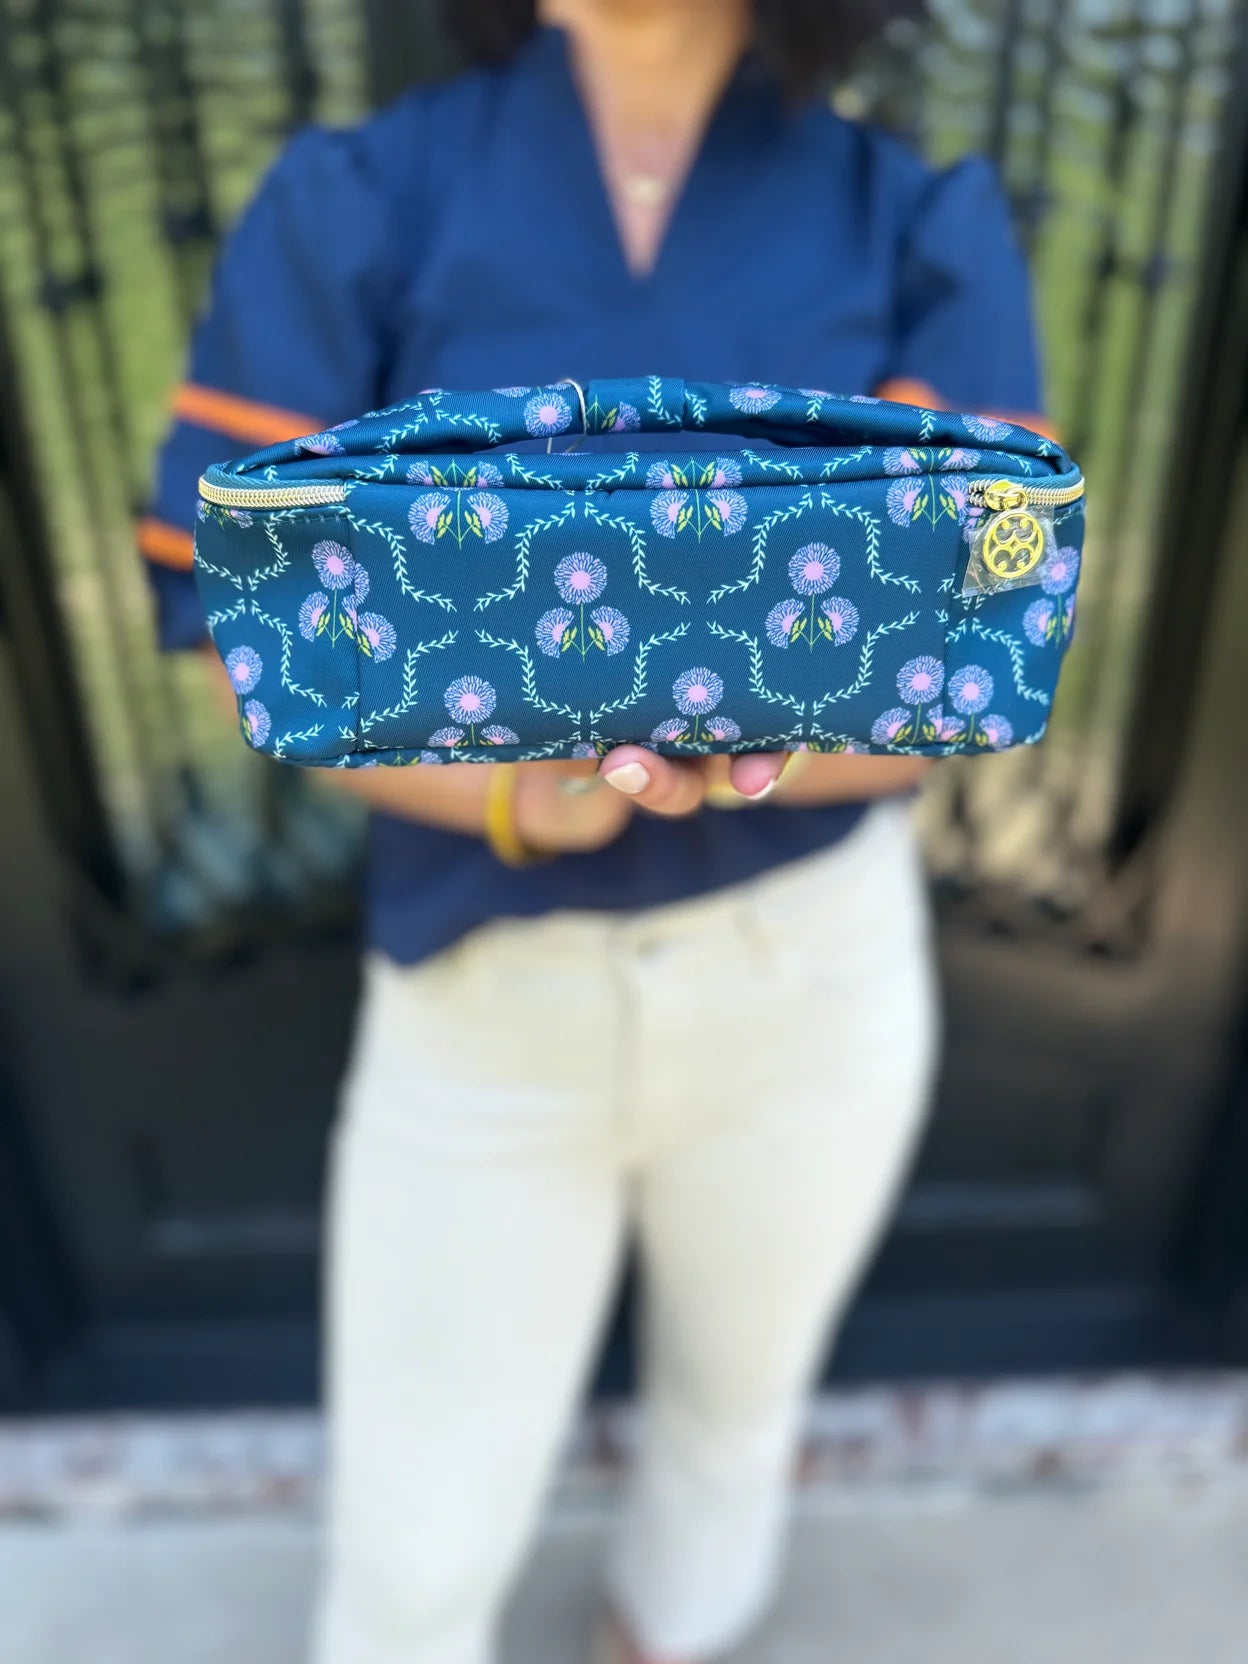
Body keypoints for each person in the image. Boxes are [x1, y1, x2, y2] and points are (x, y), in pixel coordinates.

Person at [139, 2, 1049, 1660]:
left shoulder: (914, 223)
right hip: (488, 992)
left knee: (731, 1435)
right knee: (410, 1558)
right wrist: (533, 796)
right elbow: (243, 626)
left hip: (808, 980)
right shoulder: (359, 201)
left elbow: (970, 655)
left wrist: (737, 746)